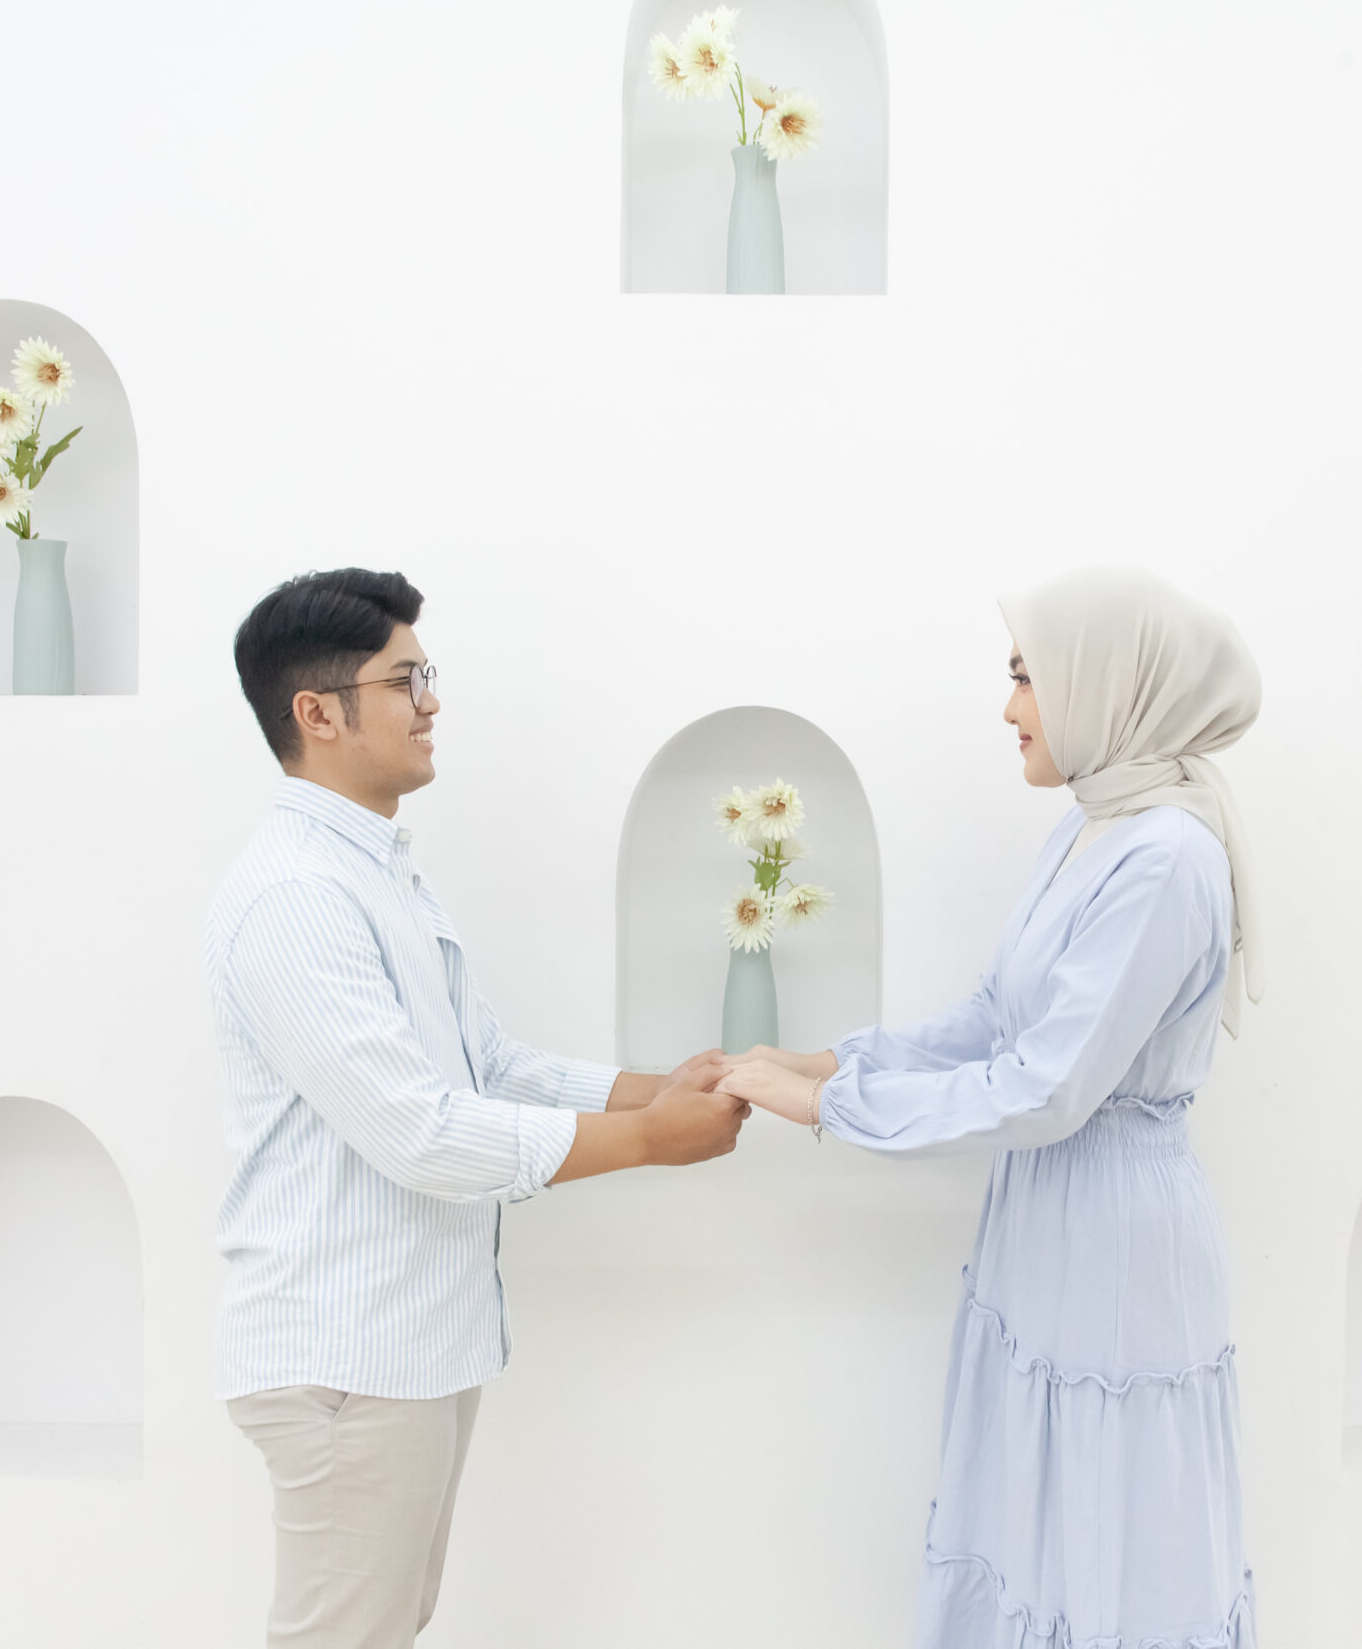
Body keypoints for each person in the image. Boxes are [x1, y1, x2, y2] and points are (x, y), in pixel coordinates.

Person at [720, 565, 1266, 1649]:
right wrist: (828, 1060)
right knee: (1035, 1516)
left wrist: (832, 1105)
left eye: (1027, 677)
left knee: (1106, 1528)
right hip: (1047, 1212)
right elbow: (994, 1017)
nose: (1009, 706)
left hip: (1113, 1235)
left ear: (1105, 684)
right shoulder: (1092, 824)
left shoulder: (1164, 858)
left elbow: (1048, 1086)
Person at [206, 567, 748, 1649]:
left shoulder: (377, 870)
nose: (432, 702)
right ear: (318, 713)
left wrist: (653, 1089)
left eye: (426, 675)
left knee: (385, 1626)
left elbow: (483, 1065)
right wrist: (646, 1139)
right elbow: (419, 1133)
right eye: (405, 680)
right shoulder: (299, 897)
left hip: (409, 1344)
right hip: (349, 1360)